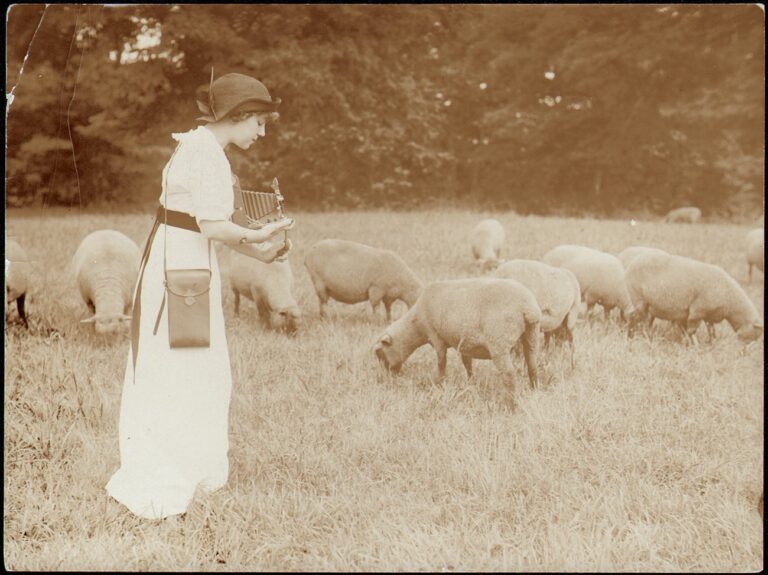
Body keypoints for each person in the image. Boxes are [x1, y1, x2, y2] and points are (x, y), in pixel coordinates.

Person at [106, 72, 294, 520]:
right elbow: (212, 226)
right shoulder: (207, 154)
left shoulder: (197, 145)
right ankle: (175, 467)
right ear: (239, 116)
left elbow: (204, 221)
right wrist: (263, 234)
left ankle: (187, 461)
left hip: (180, 261)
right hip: (184, 269)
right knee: (187, 364)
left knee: (181, 362)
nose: (262, 133)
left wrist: (261, 252)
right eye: (259, 123)